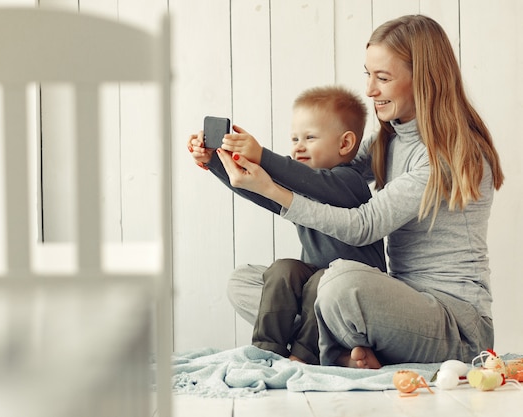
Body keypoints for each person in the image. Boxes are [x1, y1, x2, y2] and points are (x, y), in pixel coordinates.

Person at [214, 14, 504, 369]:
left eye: (383, 78)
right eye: (368, 75)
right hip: (395, 308)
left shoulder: (445, 155)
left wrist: (270, 174)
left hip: (456, 326)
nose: (369, 90)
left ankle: (335, 350)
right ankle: (348, 353)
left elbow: (362, 226)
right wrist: (224, 163)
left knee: (338, 284)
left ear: (424, 79)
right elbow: (324, 182)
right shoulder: (389, 139)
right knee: (247, 282)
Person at [188, 86, 386, 364]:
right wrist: (214, 162)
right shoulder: (302, 187)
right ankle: (267, 350)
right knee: (281, 270)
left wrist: (262, 155)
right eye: (294, 138)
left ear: (344, 144)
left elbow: (309, 181)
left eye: (310, 137)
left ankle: (305, 356)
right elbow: (262, 191)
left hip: (353, 294)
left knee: (322, 281)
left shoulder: (348, 182)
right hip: (316, 290)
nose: (298, 146)